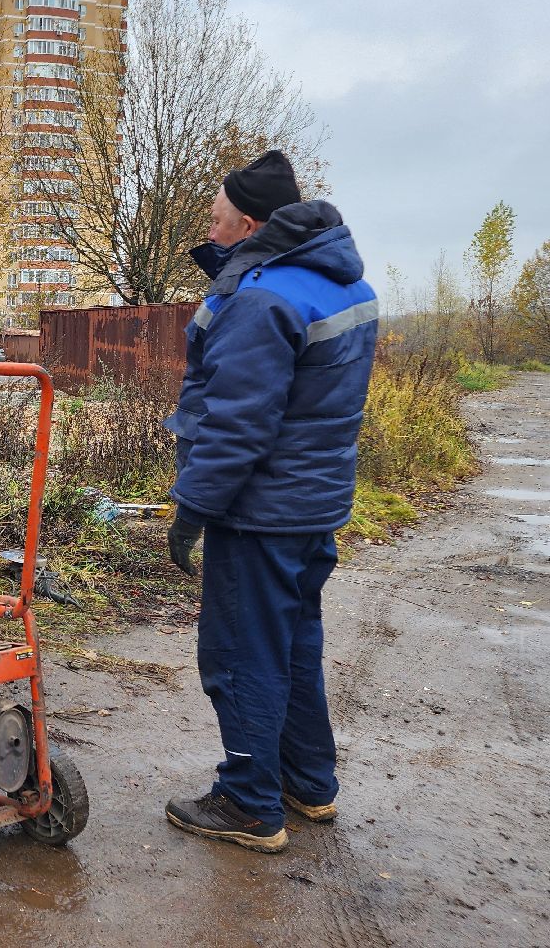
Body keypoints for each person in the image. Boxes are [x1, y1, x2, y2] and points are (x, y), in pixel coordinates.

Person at [161, 151, 379, 852]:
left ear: (250, 223)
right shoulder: (343, 285)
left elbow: (236, 422)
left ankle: (249, 802)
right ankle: (308, 784)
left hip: (258, 512)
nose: (211, 226)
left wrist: (193, 507)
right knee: (292, 646)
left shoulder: (263, 297)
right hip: (312, 506)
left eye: (218, 216)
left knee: (239, 654)